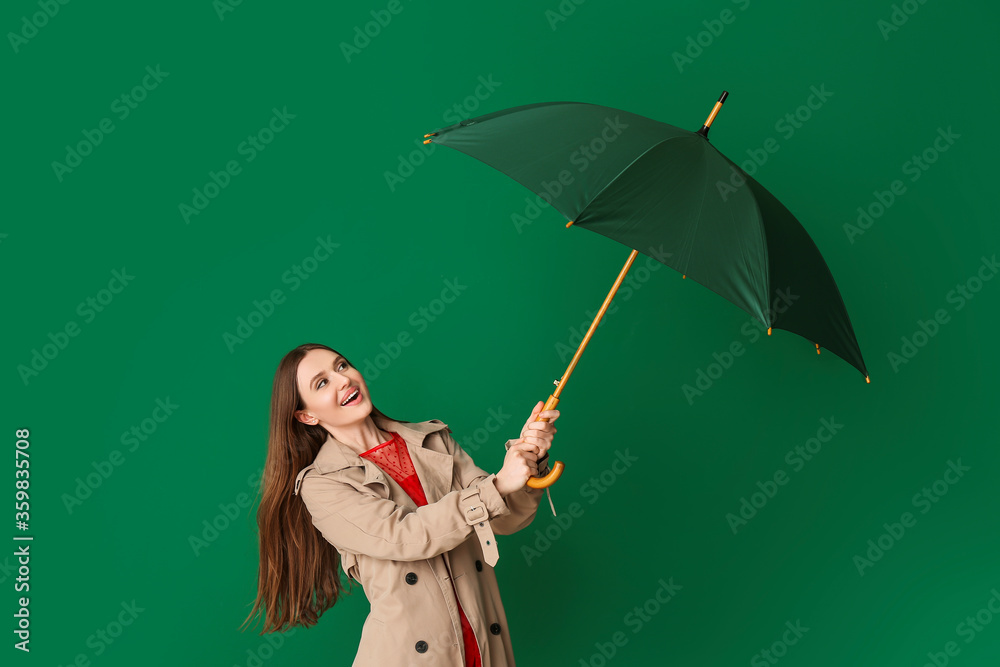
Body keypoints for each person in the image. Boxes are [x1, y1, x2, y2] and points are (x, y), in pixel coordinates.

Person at [242, 342, 559, 666]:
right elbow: (405, 535)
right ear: (306, 415)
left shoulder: (432, 439)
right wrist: (500, 483)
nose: (343, 380)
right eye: (322, 383)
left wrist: (528, 459)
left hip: (483, 645)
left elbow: (501, 520)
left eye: (342, 366)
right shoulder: (321, 484)